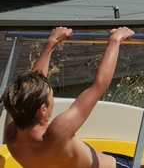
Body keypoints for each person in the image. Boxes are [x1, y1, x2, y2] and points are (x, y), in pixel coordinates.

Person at [2, 26, 136, 168]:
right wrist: (115, 41)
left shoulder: (11, 137)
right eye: (51, 96)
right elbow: (99, 86)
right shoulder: (58, 132)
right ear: (42, 110)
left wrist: (50, 44)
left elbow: (32, 85)